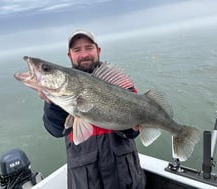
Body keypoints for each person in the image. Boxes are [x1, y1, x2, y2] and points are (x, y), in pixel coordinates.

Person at [38, 29, 146, 189]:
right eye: (77, 50)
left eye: (89, 48)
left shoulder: (121, 84)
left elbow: (133, 132)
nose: (84, 54)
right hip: (86, 182)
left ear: (98, 50)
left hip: (126, 179)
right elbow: (56, 130)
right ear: (70, 55)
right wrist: (52, 104)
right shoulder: (62, 90)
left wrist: (133, 127)